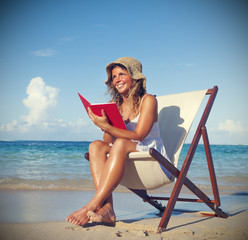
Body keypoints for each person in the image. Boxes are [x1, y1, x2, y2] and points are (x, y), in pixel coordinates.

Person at [66, 57, 170, 226]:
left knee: (121, 143)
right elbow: (107, 141)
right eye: (114, 76)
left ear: (134, 76)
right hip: (127, 159)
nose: (117, 80)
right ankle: (108, 209)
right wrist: (106, 125)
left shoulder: (148, 100)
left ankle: (92, 205)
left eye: (122, 74)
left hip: (152, 159)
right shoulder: (115, 105)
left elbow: (140, 135)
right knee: (95, 145)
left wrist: (107, 126)